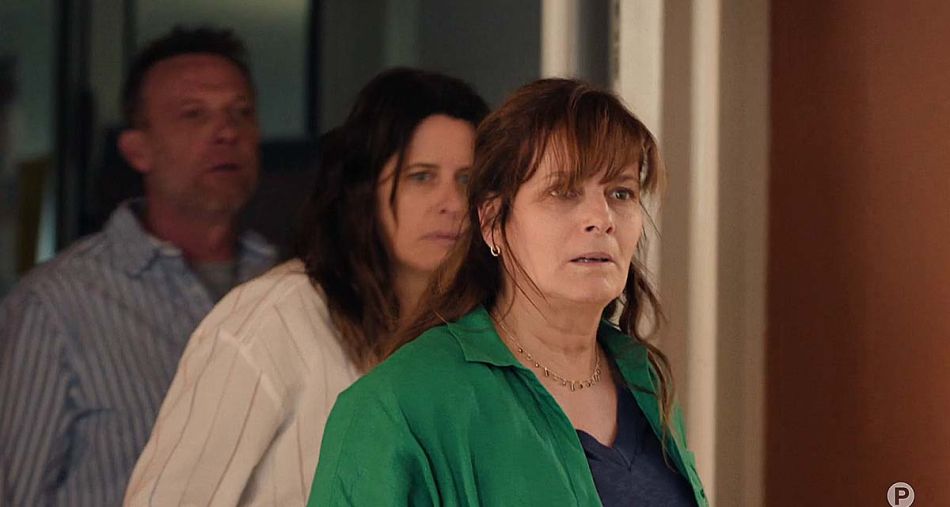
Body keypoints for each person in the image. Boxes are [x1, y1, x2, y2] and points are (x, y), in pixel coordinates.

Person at [309, 78, 708, 506]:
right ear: (492, 222)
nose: (602, 217)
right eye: (563, 191)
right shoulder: (397, 404)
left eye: (621, 192)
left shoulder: (645, 379)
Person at [124, 67, 489, 506]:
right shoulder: (270, 321)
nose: (451, 204)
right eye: (421, 176)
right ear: (363, 191)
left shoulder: (479, 335)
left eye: (466, 180)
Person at [0, 27, 277, 506]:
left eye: (241, 113)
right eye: (194, 115)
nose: (227, 132)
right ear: (137, 149)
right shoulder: (56, 305)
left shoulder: (290, 287)